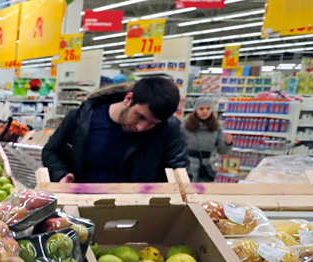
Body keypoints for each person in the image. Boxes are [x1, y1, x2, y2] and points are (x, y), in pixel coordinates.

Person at [42, 77, 187, 183]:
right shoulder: (81, 118)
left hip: (137, 213)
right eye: (140, 116)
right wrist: (61, 175)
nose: (141, 127)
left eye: (152, 123)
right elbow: (51, 151)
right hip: (79, 207)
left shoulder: (168, 129)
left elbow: (177, 172)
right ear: (128, 99)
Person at [183, 96, 233, 182]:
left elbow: (222, 151)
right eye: (201, 108)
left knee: (203, 192)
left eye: (208, 108)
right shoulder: (184, 125)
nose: (205, 111)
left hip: (207, 166)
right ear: (196, 110)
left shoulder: (216, 126)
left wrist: (228, 143)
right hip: (187, 164)